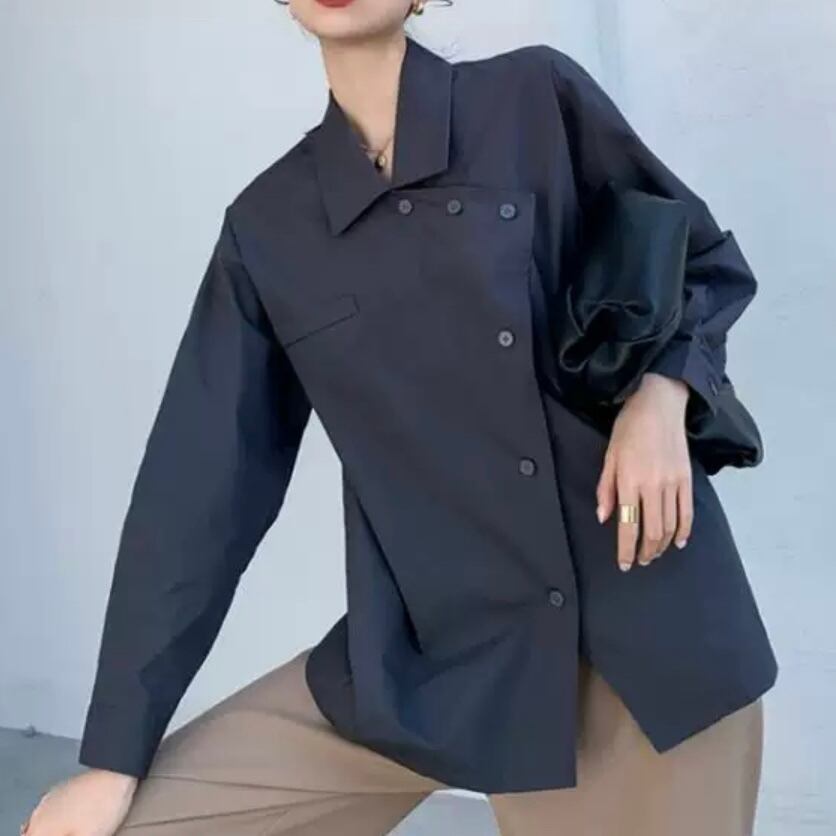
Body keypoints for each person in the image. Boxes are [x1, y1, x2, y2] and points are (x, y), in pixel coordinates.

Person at [21, 1, 778, 834]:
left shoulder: (533, 97)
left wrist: (660, 396)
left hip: (636, 637)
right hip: (428, 659)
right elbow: (196, 498)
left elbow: (703, 262)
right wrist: (115, 757)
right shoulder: (269, 228)